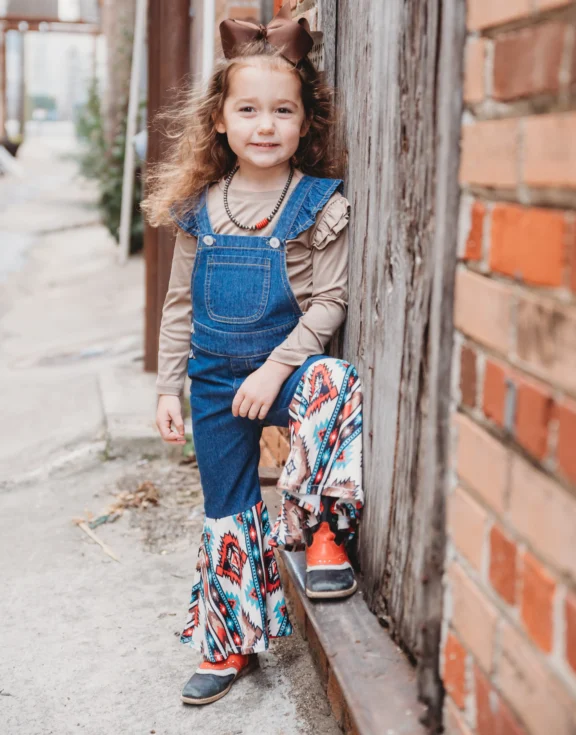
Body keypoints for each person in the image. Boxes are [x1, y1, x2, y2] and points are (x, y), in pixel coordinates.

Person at [142, 3, 364, 707]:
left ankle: (324, 530)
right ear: (220, 120)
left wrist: (275, 369)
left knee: (337, 380)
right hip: (211, 379)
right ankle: (230, 639)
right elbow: (179, 304)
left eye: (282, 111)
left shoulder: (317, 206)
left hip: (286, 368)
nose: (265, 125)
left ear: (304, 124)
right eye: (248, 110)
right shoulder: (200, 207)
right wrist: (167, 387)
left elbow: (331, 302)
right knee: (227, 507)